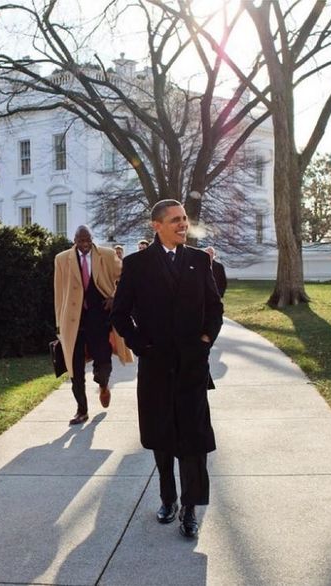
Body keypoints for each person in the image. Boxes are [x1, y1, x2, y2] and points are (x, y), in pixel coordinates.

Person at [111, 199, 223, 539]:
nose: (183, 224)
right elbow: (120, 314)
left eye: (184, 218)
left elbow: (214, 308)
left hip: (192, 367)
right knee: (161, 437)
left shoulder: (199, 261)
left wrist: (205, 340)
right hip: (156, 368)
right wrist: (141, 346)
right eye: (175, 220)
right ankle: (168, 498)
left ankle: (190, 508)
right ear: (156, 225)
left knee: (194, 440)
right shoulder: (137, 264)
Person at [54, 226, 132, 425]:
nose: (85, 244)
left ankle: (103, 385)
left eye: (88, 240)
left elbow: (126, 277)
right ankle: (81, 410)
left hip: (100, 318)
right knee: (75, 368)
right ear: (74, 240)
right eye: (81, 241)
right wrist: (59, 324)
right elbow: (59, 292)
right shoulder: (62, 259)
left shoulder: (107, 255)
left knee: (103, 361)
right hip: (73, 322)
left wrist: (114, 297)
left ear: (92, 239)